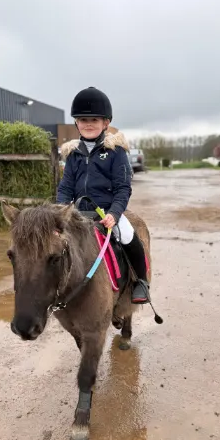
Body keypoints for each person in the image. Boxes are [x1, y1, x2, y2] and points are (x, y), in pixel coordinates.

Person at [56, 86, 151, 305]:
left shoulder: (116, 152)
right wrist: (59, 214)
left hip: (108, 213)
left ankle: (141, 281)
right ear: (76, 123)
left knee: (128, 236)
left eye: (94, 120)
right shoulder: (73, 155)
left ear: (106, 123)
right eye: (83, 120)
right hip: (79, 215)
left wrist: (114, 214)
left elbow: (123, 188)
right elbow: (65, 188)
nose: (88, 124)